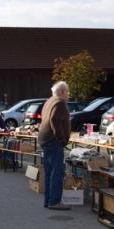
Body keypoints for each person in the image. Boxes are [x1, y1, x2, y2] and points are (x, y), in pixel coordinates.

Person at [38, 81, 71, 210]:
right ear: (63, 92)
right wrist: (62, 139)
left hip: (46, 139)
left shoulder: (49, 101)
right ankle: (54, 201)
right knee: (57, 172)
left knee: (50, 171)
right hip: (53, 141)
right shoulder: (60, 102)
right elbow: (54, 120)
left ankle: (49, 200)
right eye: (67, 91)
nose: (68, 94)